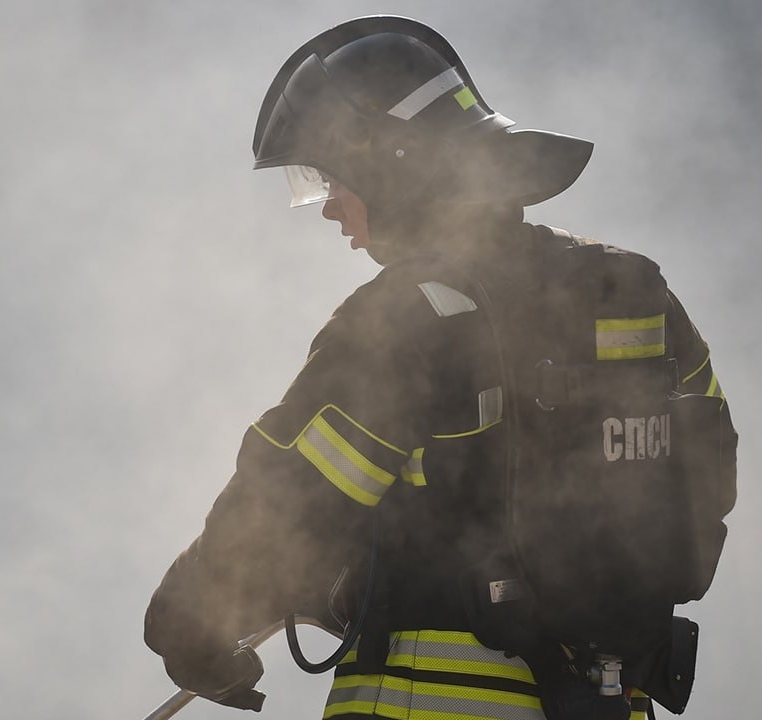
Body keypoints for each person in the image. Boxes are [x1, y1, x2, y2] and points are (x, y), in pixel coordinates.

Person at [144, 16, 734, 720]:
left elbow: (289, 508)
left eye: (334, 178)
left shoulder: (408, 316)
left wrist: (186, 616)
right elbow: (707, 467)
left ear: (396, 166)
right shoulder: (632, 293)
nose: (328, 207)